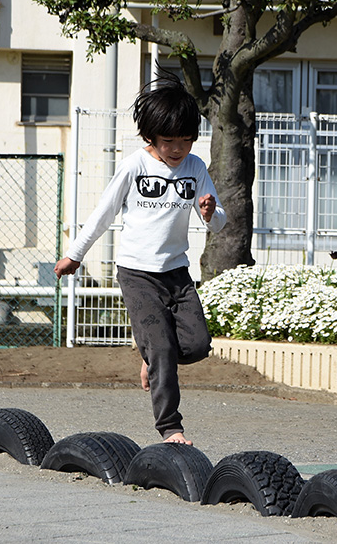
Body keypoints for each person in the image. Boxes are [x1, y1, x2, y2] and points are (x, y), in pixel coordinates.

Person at [54, 73, 226, 445]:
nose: (177, 149)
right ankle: (170, 427)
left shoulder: (195, 167)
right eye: (169, 142)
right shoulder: (135, 166)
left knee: (197, 345)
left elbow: (219, 222)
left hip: (177, 273)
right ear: (150, 136)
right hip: (137, 274)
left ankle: (150, 358)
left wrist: (210, 213)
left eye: (185, 140)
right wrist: (74, 255)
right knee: (163, 347)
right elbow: (103, 213)